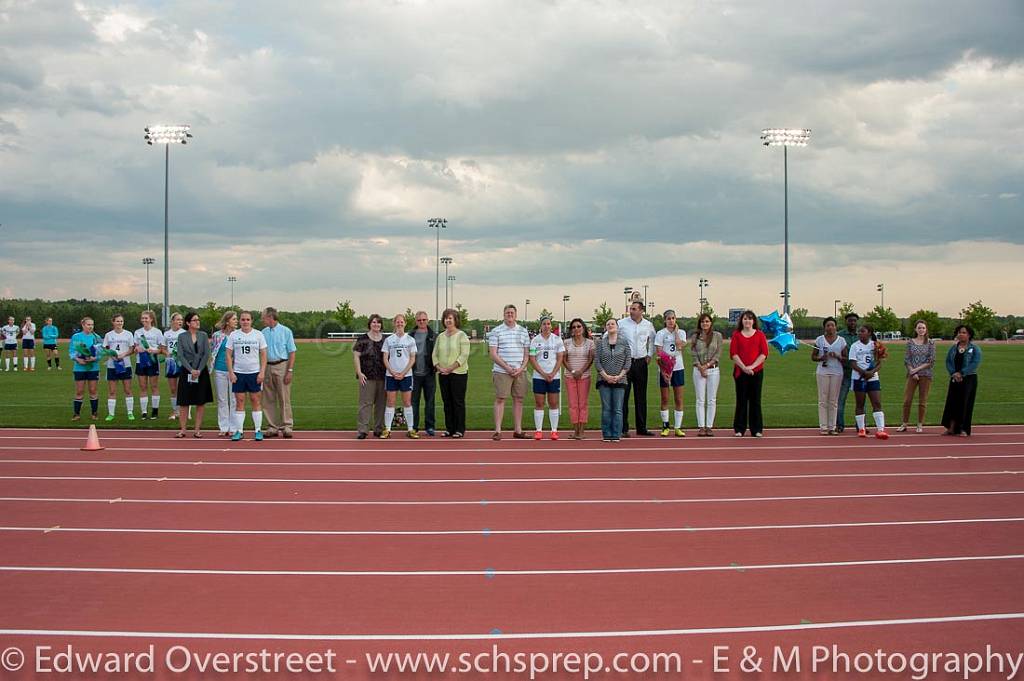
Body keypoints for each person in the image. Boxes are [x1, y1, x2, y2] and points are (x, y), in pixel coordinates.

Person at [489, 304, 531, 440]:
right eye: (507, 313)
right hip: (502, 371)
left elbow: (527, 354)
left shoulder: (523, 332)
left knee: (519, 399)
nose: (510, 315)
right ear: (503, 314)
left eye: (512, 313)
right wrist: (507, 368)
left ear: (516, 315)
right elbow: (493, 354)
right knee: (500, 398)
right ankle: (498, 430)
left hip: (520, 371)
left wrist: (520, 368)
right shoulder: (496, 331)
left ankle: (518, 430)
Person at [226, 310, 268, 441]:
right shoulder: (233, 335)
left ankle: (257, 430)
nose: (245, 322)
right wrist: (231, 372)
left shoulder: (258, 335)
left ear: (251, 321)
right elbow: (228, 354)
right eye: (243, 319)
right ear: (240, 321)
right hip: (239, 373)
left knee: (256, 401)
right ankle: (239, 431)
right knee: (240, 402)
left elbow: (263, 354)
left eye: (247, 319)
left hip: (254, 373)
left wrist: (262, 371)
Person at [617, 301, 656, 436]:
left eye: (634, 309)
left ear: (641, 311)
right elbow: (609, 337)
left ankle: (642, 427)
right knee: (624, 396)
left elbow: (653, 340)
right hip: (625, 363)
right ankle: (623, 428)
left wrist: (650, 354)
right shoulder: (621, 323)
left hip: (641, 363)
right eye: (630, 309)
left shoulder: (648, 325)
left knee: (641, 396)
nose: (631, 311)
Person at [432, 308, 470, 438]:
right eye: (446, 318)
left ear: (455, 320)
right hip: (443, 374)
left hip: (458, 373)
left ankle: (459, 429)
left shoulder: (462, 335)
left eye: (451, 318)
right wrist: (439, 367)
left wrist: (450, 368)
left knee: (457, 401)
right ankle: (450, 428)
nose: (448, 320)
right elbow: (434, 354)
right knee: (447, 401)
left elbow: (464, 355)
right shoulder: (440, 337)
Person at [174, 311, 213, 438]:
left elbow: (206, 354)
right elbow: (180, 355)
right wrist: (191, 370)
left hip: (201, 371)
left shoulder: (203, 335)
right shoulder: (182, 337)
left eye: (198, 320)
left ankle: (197, 430)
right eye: (195, 320)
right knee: (184, 401)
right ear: (188, 323)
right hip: (187, 370)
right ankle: (183, 429)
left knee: (200, 401)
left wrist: (199, 370)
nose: (197, 322)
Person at [260, 307, 297, 438]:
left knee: (284, 397)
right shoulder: (263, 332)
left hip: (282, 365)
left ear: (270, 317)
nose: (262, 320)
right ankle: (272, 427)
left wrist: (290, 371)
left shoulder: (286, 331)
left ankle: (287, 426)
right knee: (268, 398)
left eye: (263, 317)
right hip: (267, 366)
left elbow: (292, 352)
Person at [730, 310, 768, 437]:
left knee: (755, 400)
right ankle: (739, 428)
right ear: (742, 321)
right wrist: (744, 367)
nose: (747, 321)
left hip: (756, 372)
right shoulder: (736, 335)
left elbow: (764, 354)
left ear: (754, 321)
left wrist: (752, 366)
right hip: (740, 372)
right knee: (741, 400)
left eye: (750, 319)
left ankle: (756, 429)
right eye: (745, 318)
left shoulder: (760, 335)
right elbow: (733, 354)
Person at [847, 324, 889, 439]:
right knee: (860, 403)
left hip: (873, 378)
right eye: (859, 331)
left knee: (876, 403)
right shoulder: (855, 346)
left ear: (869, 333)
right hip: (858, 378)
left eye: (863, 331)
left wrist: (872, 372)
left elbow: (879, 363)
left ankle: (880, 429)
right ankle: (861, 429)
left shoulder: (875, 345)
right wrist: (863, 372)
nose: (860, 333)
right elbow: (852, 363)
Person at [381, 314, 418, 439]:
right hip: (391, 375)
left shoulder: (410, 340)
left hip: (406, 375)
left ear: (405, 323)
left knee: (407, 402)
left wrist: (403, 373)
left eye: (401, 322)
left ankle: (410, 429)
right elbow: (385, 358)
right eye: (397, 322)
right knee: (390, 402)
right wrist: (391, 371)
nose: (400, 324)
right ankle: (387, 429)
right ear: (394, 323)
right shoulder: (389, 340)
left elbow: (412, 358)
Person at [941, 324, 982, 437]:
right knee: (952, 403)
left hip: (969, 379)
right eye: (959, 332)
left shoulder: (974, 349)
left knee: (965, 404)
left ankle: (964, 429)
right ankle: (951, 428)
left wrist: (962, 373)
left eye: (964, 332)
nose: (961, 334)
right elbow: (948, 361)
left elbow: (975, 363)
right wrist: (953, 373)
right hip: (954, 378)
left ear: (969, 335)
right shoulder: (953, 348)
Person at [595, 318, 632, 442]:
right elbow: (597, 362)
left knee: (617, 408)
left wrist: (619, 375)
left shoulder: (624, 342)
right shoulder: (600, 343)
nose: (610, 326)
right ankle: (607, 434)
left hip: (620, 380)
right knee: (606, 408)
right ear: (605, 328)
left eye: (613, 324)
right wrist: (606, 376)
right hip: (603, 379)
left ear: (617, 327)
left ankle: (616, 434)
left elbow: (628, 361)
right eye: (608, 324)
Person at [529, 315, 565, 440]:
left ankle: (554, 430)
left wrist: (553, 372)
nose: (546, 326)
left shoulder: (557, 340)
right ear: (541, 326)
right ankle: (538, 430)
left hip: (554, 376)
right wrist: (543, 374)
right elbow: (532, 359)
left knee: (553, 403)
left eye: (548, 324)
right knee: (539, 403)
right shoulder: (535, 340)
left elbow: (560, 357)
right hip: (539, 376)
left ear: (551, 325)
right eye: (544, 324)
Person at [812, 317, 848, 435]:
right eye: (828, 325)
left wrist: (837, 356)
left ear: (836, 327)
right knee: (823, 399)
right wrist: (821, 358)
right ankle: (823, 426)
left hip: (837, 372)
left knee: (833, 400)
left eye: (832, 325)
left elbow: (846, 358)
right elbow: (813, 357)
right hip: (823, 371)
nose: (830, 327)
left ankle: (832, 426)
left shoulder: (841, 341)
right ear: (824, 327)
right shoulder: (820, 340)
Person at [654, 309, 687, 437]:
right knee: (665, 398)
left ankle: (678, 427)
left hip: (678, 368)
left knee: (678, 398)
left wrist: (677, 332)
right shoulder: (661, 333)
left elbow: (679, 346)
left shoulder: (682, 333)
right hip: (664, 369)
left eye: (673, 318)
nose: (671, 321)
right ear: (665, 320)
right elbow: (659, 353)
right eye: (668, 319)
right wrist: (664, 370)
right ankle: (666, 426)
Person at [899, 320, 935, 433]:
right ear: (915, 329)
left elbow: (931, 361)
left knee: (922, 401)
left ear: (926, 329)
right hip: (912, 375)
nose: (921, 330)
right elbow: (907, 359)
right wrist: (912, 372)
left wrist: (917, 370)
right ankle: (904, 423)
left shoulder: (930, 343)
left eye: (923, 328)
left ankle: (919, 424)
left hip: (925, 374)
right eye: (919, 328)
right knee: (907, 400)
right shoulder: (910, 342)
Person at [353, 314, 386, 439]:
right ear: (370, 324)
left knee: (381, 404)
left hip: (383, 376)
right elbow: (356, 356)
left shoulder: (385, 339)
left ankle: (379, 428)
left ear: (381, 325)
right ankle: (363, 429)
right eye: (373, 322)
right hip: (367, 376)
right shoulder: (363, 339)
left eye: (378, 322)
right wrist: (359, 372)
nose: (376, 324)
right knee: (365, 404)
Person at [690, 313, 723, 436]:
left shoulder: (717, 336)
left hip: (713, 370)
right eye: (703, 322)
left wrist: (707, 366)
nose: (705, 324)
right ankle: (701, 426)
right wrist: (700, 367)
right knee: (700, 399)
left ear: (711, 323)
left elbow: (718, 353)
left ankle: (709, 426)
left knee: (711, 399)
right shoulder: (695, 337)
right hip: (698, 371)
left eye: (707, 321)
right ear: (700, 323)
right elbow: (693, 354)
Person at [563, 318, 595, 440]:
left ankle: (581, 431)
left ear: (583, 328)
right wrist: (572, 371)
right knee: (573, 404)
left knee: (582, 404)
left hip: (584, 376)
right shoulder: (566, 342)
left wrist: (581, 371)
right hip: (570, 376)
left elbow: (590, 359)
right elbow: (564, 360)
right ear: (571, 330)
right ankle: (575, 430)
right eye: (574, 327)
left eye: (579, 326)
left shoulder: (590, 343)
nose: (576, 329)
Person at [102, 313, 137, 422]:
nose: (119, 323)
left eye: (121, 321)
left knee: (127, 389)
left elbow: (132, 349)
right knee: (112, 391)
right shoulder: (108, 335)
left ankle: (130, 412)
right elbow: (105, 348)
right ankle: (111, 414)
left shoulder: (128, 334)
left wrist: (123, 355)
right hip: (112, 365)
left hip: (125, 365)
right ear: (113, 322)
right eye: (117, 321)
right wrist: (112, 355)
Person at [209, 311, 238, 436]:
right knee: (222, 399)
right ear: (227, 321)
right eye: (234, 319)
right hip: (220, 370)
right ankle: (223, 426)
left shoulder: (238, 335)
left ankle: (233, 427)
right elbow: (212, 351)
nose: (236, 321)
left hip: (235, 371)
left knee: (234, 399)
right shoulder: (217, 335)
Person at [409, 311, 437, 436]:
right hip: (414, 373)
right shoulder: (410, 335)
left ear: (428, 320)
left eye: (424, 320)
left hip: (429, 373)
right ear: (416, 321)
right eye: (419, 320)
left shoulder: (434, 335)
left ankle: (430, 426)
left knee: (430, 401)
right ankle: (413, 426)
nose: (422, 322)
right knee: (414, 402)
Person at [133, 310, 164, 420]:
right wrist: (138, 349)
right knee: (143, 387)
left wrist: (153, 351)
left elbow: (162, 349)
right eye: (143, 318)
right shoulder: (137, 332)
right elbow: (135, 348)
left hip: (153, 361)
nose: (144, 320)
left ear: (151, 319)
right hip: (140, 361)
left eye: (146, 318)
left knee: (154, 386)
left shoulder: (157, 332)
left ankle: (155, 411)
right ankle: (144, 412)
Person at [69, 317, 101, 421]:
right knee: (79, 391)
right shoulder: (76, 337)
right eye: (88, 324)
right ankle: (76, 414)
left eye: (92, 324)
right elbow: (72, 351)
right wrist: (78, 359)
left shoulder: (96, 337)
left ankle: (94, 413)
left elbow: (101, 352)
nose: (90, 326)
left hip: (93, 367)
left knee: (93, 390)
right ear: (83, 325)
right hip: (79, 368)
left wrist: (95, 358)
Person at [835, 312, 860, 433]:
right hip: (845, 372)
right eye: (850, 320)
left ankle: (860, 425)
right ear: (846, 322)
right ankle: (839, 424)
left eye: (854, 321)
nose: (852, 323)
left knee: (861, 401)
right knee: (841, 400)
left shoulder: (861, 335)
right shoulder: (840, 336)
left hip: (859, 373)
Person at [161, 313, 186, 421]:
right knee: (173, 388)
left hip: (182, 363)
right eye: (178, 319)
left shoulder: (185, 333)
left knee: (183, 388)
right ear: (172, 321)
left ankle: (185, 411)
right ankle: (175, 411)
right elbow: (162, 348)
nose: (180, 321)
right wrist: (168, 353)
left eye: (181, 320)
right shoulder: (166, 334)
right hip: (170, 363)